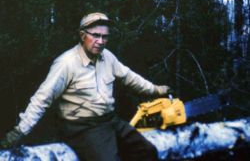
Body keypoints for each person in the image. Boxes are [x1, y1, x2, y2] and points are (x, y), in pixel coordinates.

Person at [0, 12, 172, 161]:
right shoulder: (66, 63)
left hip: (109, 120)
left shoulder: (108, 57)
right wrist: (19, 131)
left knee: (146, 151)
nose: (100, 41)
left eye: (104, 37)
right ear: (83, 36)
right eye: (95, 35)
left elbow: (130, 78)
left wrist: (156, 90)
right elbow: (42, 98)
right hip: (81, 127)